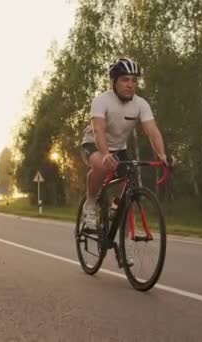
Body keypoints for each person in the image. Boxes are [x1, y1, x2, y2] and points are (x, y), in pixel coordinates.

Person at [80, 58, 172, 232]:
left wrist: (162, 155)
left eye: (134, 80)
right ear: (114, 82)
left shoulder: (140, 104)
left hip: (119, 148)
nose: (130, 84)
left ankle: (115, 211)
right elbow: (99, 130)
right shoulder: (101, 101)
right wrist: (106, 154)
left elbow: (152, 131)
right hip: (93, 144)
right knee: (101, 165)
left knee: (129, 180)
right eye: (125, 79)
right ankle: (90, 204)